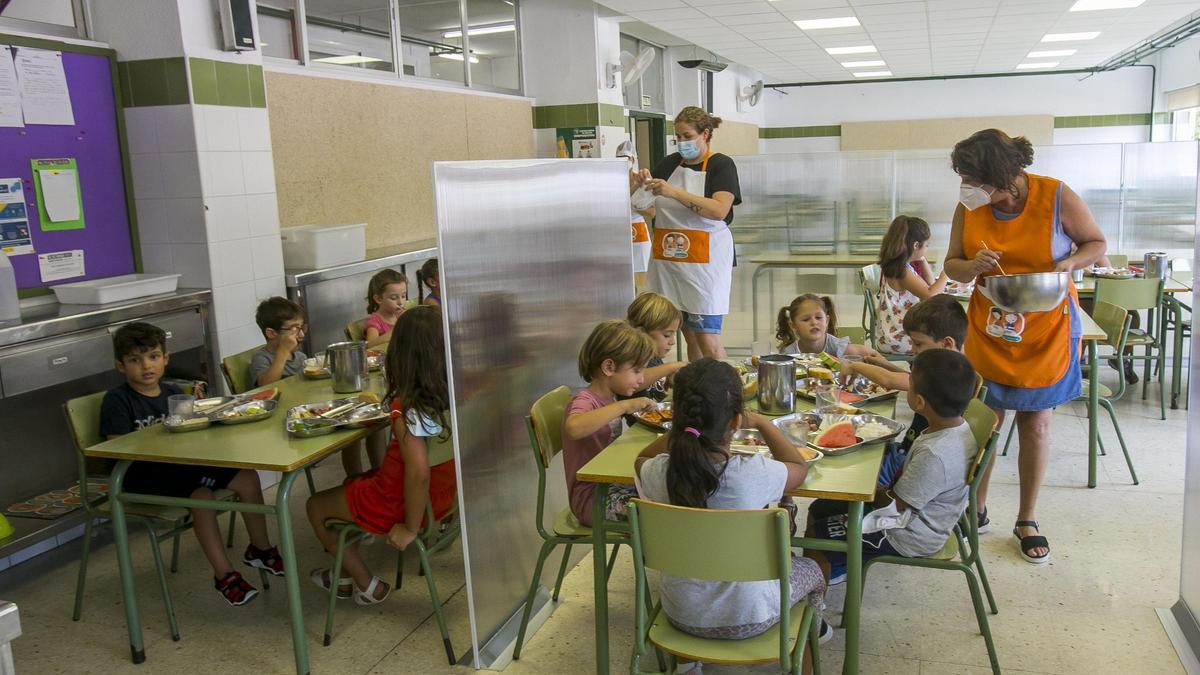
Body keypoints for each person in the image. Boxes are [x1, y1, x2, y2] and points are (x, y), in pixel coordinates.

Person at [943, 128, 1106, 564]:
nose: (968, 187)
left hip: (1046, 327)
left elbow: (1097, 243)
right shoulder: (969, 205)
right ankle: (975, 507)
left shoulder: (1054, 196)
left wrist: (1069, 263)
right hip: (991, 326)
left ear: (1004, 174)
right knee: (985, 423)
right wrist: (970, 265)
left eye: (974, 178)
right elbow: (952, 267)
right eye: (964, 178)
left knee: (1036, 423)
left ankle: (1027, 518)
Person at [635, 358, 830, 653]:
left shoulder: (658, 472)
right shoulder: (752, 474)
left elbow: (640, 461)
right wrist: (763, 423)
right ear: (737, 422)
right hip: (751, 617)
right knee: (816, 567)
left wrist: (678, 431)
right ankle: (811, 636)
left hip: (679, 614)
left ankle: (687, 663)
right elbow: (797, 467)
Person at [100, 322, 283, 606]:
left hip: (180, 465)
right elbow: (115, 447)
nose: (146, 366)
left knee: (247, 476)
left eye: (153, 357)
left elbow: (194, 430)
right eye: (135, 360)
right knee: (202, 496)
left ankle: (260, 550)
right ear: (121, 366)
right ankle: (224, 575)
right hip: (140, 474)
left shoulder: (173, 394)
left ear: (165, 359)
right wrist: (161, 436)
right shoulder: (117, 400)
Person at [305, 306, 456, 604]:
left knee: (314, 506)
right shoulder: (453, 394)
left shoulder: (409, 405)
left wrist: (410, 528)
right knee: (355, 481)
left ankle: (365, 582)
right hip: (444, 497)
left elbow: (417, 472)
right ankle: (342, 576)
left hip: (399, 502)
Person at [805, 349, 978, 587]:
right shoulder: (953, 429)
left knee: (818, 535)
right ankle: (839, 566)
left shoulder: (936, 454)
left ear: (919, 401)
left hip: (908, 534)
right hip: (914, 514)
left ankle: (813, 611)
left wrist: (865, 487)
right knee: (821, 507)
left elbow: (895, 505)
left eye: (910, 382)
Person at [637, 106, 742, 361]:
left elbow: (719, 210)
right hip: (672, 264)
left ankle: (725, 392)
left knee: (707, 336)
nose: (681, 142)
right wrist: (638, 186)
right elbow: (651, 208)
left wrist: (674, 192)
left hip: (705, 265)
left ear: (705, 134)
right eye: (678, 137)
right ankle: (698, 386)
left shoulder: (721, 165)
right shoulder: (670, 163)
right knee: (689, 334)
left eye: (687, 136)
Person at [563, 320, 657, 527]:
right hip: (591, 499)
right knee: (660, 512)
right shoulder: (585, 401)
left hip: (611, 486)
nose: (641, 379)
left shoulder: (609, 397)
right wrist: (624, 407)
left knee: (668, 492)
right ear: (608, 367)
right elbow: (574, 427)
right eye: (637, 371)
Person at [875, 215, 949, 354]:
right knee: (946, 342)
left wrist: (921, 260)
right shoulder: (902, 271)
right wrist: (948, 271)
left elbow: (930, 284)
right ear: (915, 245)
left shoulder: (898, 264)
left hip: (892, 334)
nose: (926, 249)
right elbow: (931, 295)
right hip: (899, 338)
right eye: (926, 245)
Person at [620, 292, 686, 403]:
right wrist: (670, 368)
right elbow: (629, 382)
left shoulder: (654, 356)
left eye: (673, 335)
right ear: (641, 332)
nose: (673, 342)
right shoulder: (631, 357)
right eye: (667, 335)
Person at [776, 294, 879, 358]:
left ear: (827, 321)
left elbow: (872, 354)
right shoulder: (788, 354)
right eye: (806, 319)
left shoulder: (837, 348)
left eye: (819, 318)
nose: (814, 323)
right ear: (793, 325)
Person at [250, 297, 307, 387]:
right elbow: (265, 386)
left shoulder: (301, 357)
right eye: (294, 328)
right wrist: (283, 351)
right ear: (271, 333)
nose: (302, 335)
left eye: (301, 327)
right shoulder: (262, 358)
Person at [363, 268, 408, 348]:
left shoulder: (404, 315)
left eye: (403, 296)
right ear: (378, 299)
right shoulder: (375, 321)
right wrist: (394, 331)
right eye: (394, 298)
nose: (400, 302)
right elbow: (369, 346)